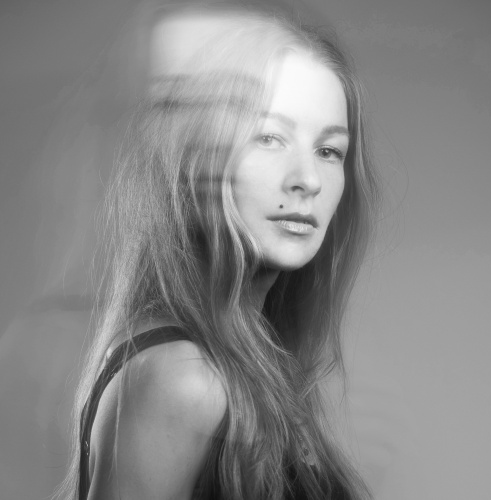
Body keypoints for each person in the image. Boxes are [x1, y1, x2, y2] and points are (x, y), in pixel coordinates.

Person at [55, 3, 380, 499]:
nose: (308, 180)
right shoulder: (182, 378)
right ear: (194, 160)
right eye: (268, 137)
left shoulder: (246, 361)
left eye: (328, 150)